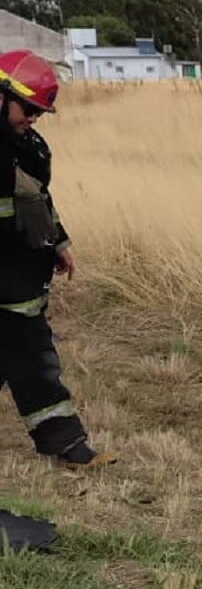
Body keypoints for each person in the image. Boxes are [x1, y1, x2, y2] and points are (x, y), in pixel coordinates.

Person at [0, 49, 114, 469]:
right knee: (33, 359)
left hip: (21, 274)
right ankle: (65, 441)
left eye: (40, 112)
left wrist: (59, 241)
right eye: (27, 108)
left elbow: (38, 201)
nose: (33, 118)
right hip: (8, 283)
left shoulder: (27, 147)